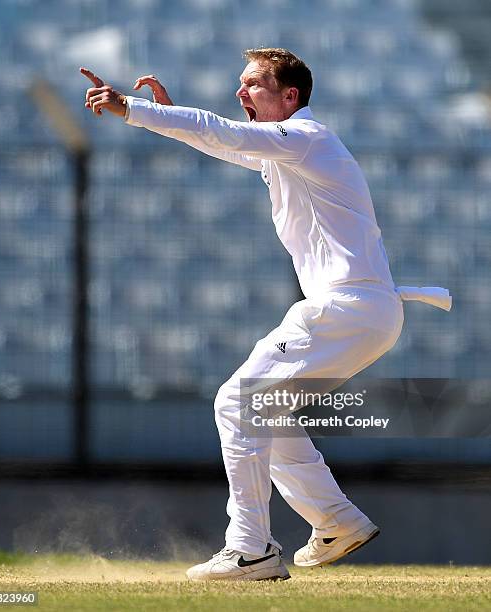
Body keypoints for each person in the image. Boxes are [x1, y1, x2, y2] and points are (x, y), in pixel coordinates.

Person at [81, 48, 451, 581]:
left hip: (348, 305)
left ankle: (250, 548)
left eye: (252, 85)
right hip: (366, 310)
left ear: (289, 96)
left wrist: (130, 109)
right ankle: (336, 521)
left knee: (237, 403)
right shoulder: (290, 151)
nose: (240, 93)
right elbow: (222, 141)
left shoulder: (308, 137)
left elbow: (221, 131)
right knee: (263, 413)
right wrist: (166, 115)